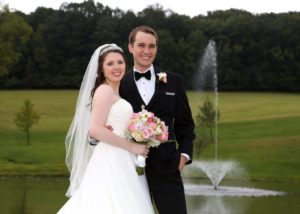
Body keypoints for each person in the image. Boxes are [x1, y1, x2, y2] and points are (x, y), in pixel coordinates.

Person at [57, 44, 154, 214]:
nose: (116, 67)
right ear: (101, 68)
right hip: (111, 157)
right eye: (110, 64)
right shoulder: (104, 90)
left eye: (120, 62)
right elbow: (95, 130)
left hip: (122, 158)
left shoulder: (116, 92)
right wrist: (132, 146)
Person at [120, 26, 195, 214]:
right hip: (128, 167)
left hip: (168, 166)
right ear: (130, 47)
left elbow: (185, 124)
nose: (147, 51)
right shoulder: (119, 83)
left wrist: (184, 156)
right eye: (141, 45)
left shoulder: (174, 81)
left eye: (152, 46)